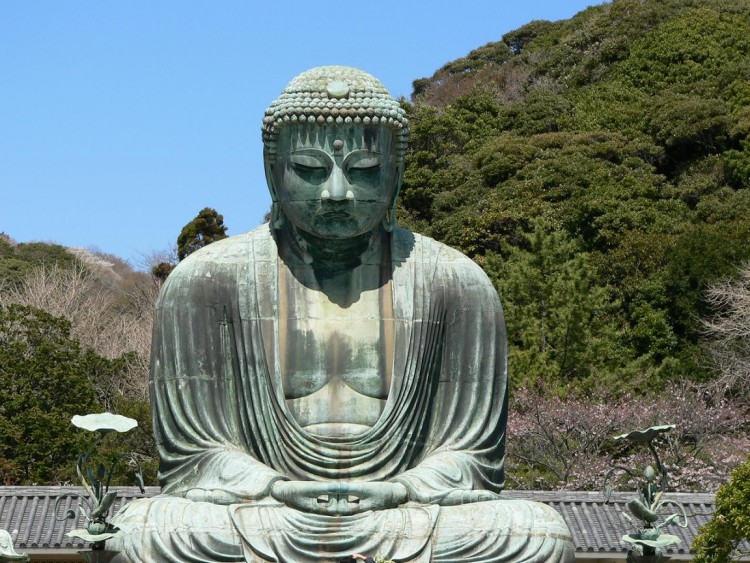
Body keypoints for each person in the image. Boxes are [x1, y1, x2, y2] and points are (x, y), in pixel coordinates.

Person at [109, 66, 574, 562]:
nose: (336, 193)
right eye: (309, 169)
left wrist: (400, 490)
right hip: (266, 512)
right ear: (272, 171)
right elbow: (195, 455)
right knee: (141, 532)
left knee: (537, 534)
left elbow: (471, 457)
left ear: (395, 173)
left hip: (401, 513)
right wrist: (274, 487)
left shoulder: (456, 283)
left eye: (365, 169)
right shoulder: (207, 281)